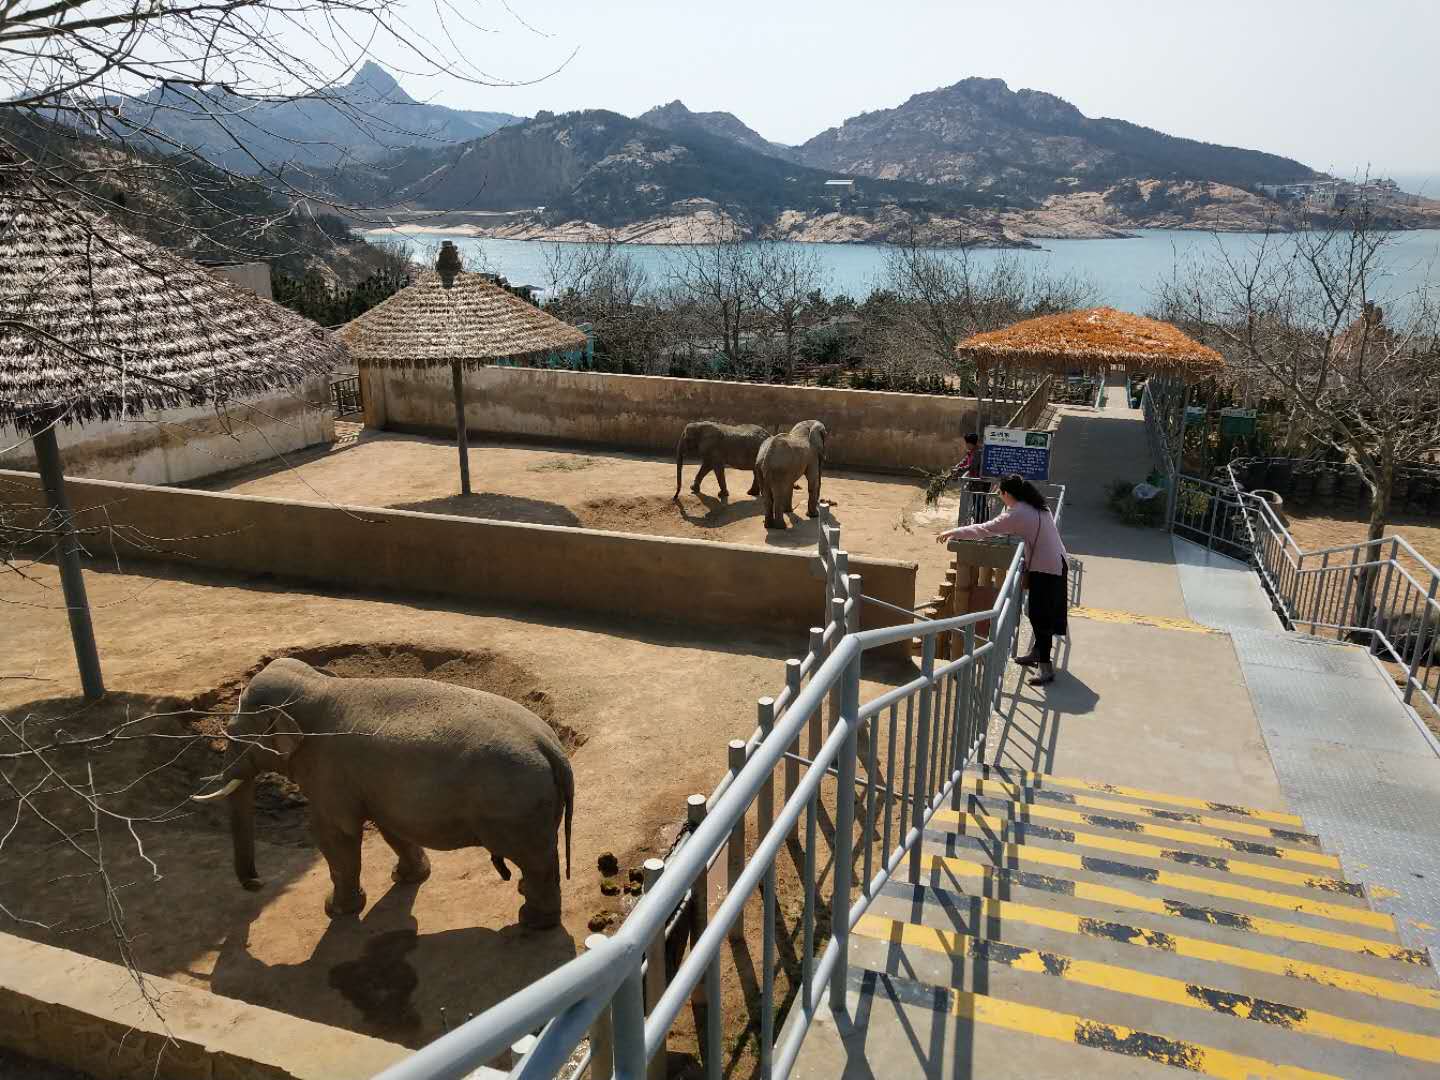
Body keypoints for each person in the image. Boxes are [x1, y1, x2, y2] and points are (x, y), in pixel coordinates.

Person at [935, 474, 1068, 687]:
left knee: (1039, 615)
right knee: (1040, 613)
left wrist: (954, 531)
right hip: (1056, 563)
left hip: (1046, 569)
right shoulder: (1037, 505)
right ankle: (1037, 653)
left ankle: (1045, 668)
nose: (1000, 497)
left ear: (1006, 493)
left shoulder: (1017, 514)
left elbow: (984, 529)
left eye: (1000, 493)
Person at [951, 433, 989, 523]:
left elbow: (972, 466)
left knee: (980, 503)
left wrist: (959, 470)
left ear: (970, 443)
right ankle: (979, 521)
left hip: (980, 483)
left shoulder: (978, 452)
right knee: (977, 502)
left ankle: (982, 522)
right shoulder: (972, 451)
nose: (966, 445)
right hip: (975, 481)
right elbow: (965, 460)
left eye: (966, 443)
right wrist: (957, 466)